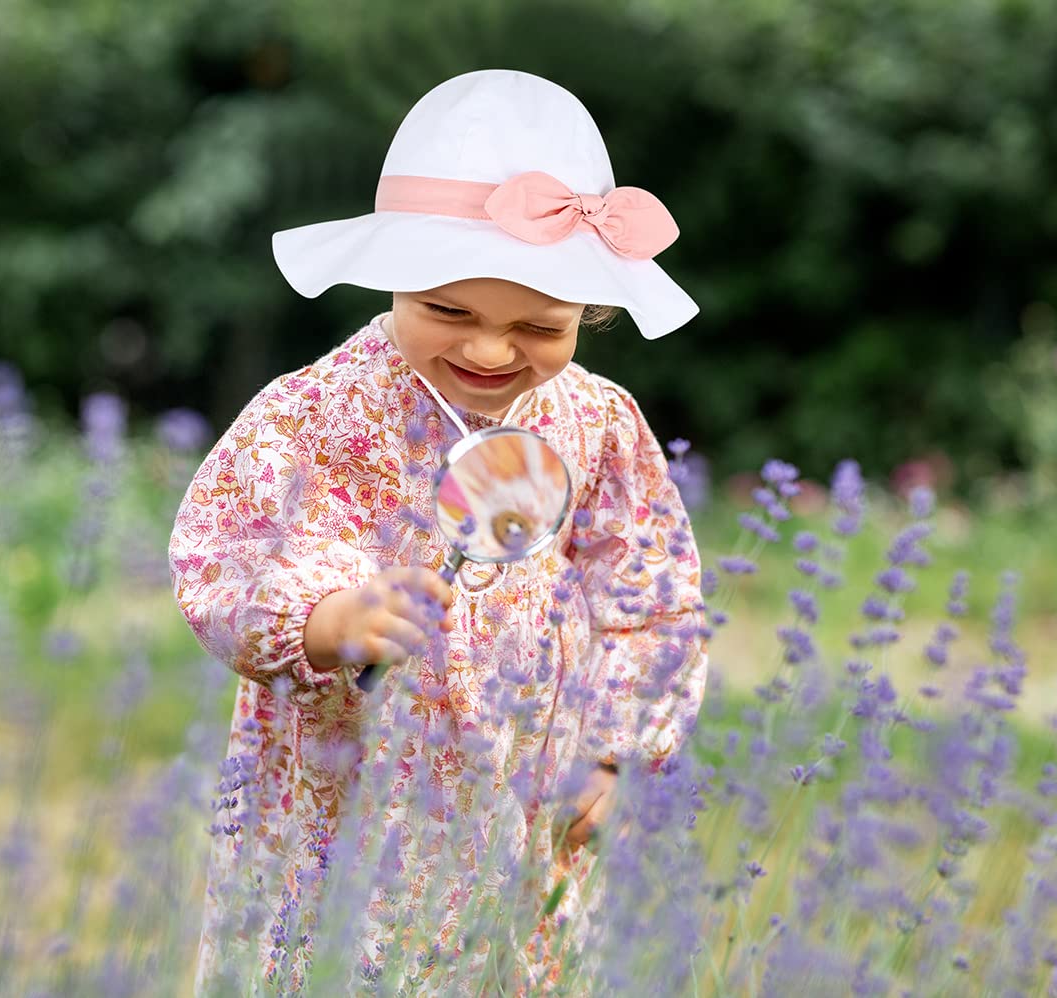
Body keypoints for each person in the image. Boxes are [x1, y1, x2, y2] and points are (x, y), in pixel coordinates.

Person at [169, 69, 708, 995]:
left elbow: (650, 595)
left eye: (539, 326)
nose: (491, 351)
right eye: (448, 312)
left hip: (522, 799)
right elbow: (231, 547)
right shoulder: (319, 413)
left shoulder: (598, 425)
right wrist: (328, 617)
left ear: (591, 311)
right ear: (393, 282)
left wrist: (616, 747)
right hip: (338, 800)